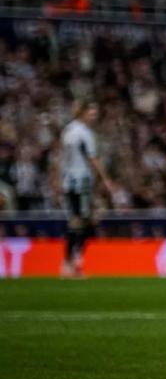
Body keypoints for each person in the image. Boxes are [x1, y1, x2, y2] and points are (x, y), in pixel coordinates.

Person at [58, 101, 113, 279]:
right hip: (80, 182)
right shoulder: (84, 133)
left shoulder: (68, 130)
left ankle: (71, 261)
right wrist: (106, 180)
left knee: (80, 222)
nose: (94, 116)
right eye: (91, 113)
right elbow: (93, 158)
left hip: (69, 182)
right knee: (82, 222)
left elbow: (63, 157)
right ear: (82, 113)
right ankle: (72, 262)